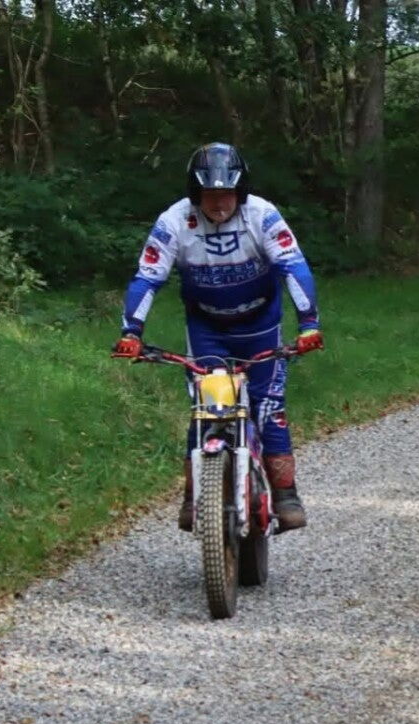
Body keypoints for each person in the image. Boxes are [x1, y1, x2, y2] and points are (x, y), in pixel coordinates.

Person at [112, 142, 323, 533]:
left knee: (268, 410)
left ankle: (285, 495)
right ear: (195, 193)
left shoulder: (263, 215)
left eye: (227, 192)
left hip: (261, 328)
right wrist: (131, 332)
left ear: (241, 191)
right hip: (207, 331)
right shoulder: (174, 221)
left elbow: (294, 267)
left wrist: (309, 324)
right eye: (209, 193)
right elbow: (147, 278)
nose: (219, 201)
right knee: (206, 409)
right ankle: (194, 496)